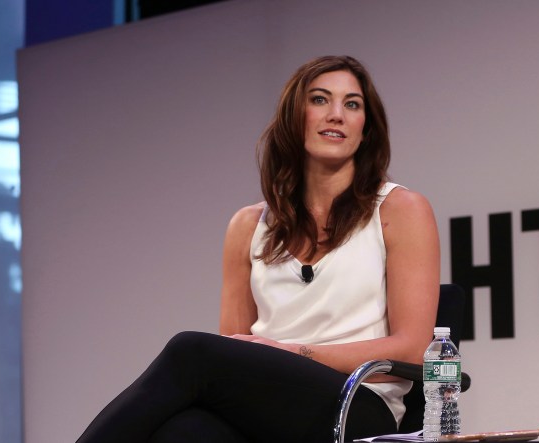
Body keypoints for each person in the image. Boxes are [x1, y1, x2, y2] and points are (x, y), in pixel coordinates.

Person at [76, 55, 440, 443]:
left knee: (191, 352)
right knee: (185, 431)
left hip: (356, 404)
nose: (336, 114)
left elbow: (413, 350)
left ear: (365, 128)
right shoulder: (249, 225)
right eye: (320, 100)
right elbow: (233, 351)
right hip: (267, 408)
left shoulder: (400, 209)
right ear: (293, 117)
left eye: (352, 104)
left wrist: (291, 353)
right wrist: (271, 358)